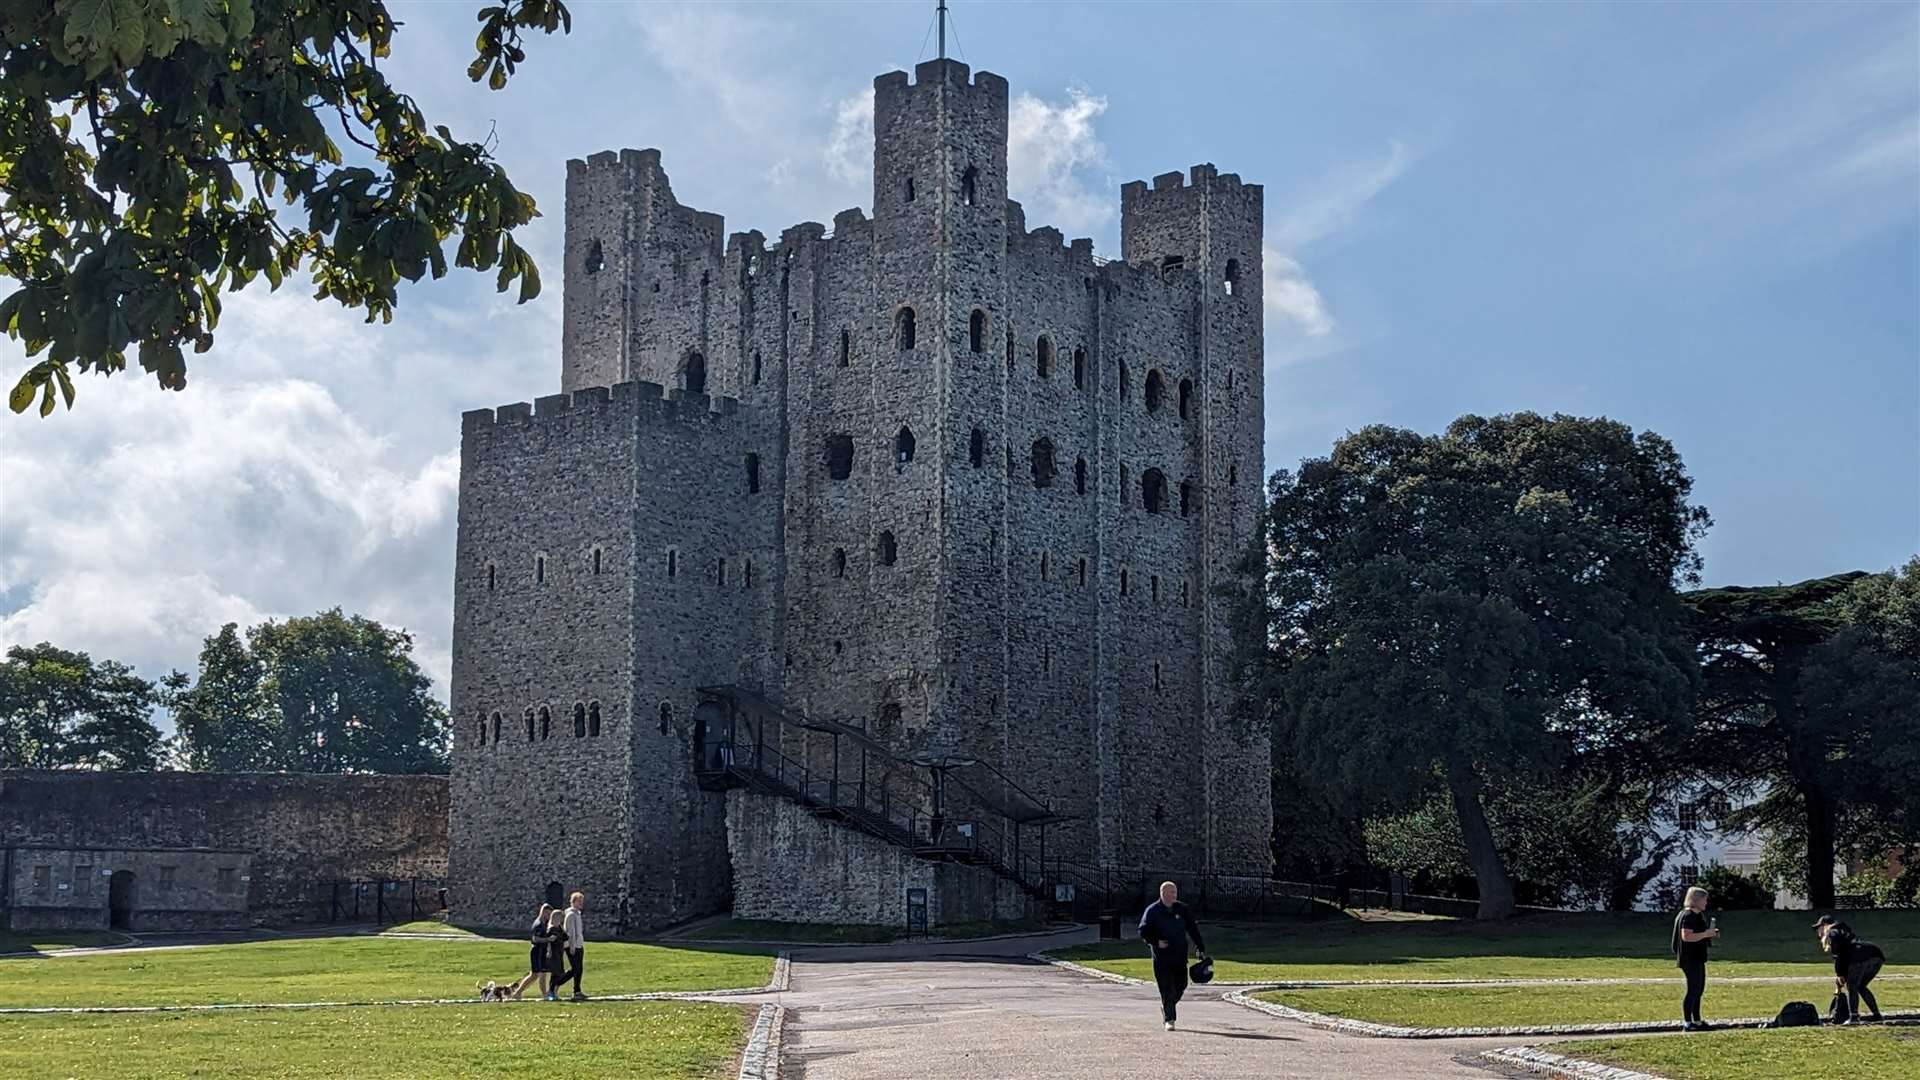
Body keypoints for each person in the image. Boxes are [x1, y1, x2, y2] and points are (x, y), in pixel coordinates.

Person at [1138, 880, 1208, 1031]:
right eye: (1171, 892)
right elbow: (1143, 931)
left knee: (1181, 985)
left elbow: (1192, 928)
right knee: (1167, 988)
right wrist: (1156, 942)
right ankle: (1170, 1019)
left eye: (1175, 892)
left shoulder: (1182, 909)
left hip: (1180, 955)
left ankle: (1167, 1007)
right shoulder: (1152, 911)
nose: (1174, 895)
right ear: (1163, 893)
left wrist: (1200, 946)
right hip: (1161, 957)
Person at [1815, 914, 1886, 1023]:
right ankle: (1876, 1015)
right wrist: (1842, 974)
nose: (1818, 931)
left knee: (1852, 987)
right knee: (1861, 986)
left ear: (1825, 925)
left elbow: (1839, 955)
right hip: (1876, 955)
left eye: (1818, 927)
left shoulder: (1832, 932)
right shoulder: (1843, 931)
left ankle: (1853, 1017)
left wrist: (1839, 974)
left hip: (1860, 957)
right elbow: (1844, 956)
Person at [1670, 885, 1720, 1031]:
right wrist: (1706, 934)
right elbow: (1686, 936)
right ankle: (1687, 1022)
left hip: (1698, 957)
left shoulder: (1697, 916)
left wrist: (1710, 933)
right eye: (1704, 900)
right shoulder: (1687, 916)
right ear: (1696, 900)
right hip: (1689, 958)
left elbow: (1698, 933)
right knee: (1693, 989)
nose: (1706, 903)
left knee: (1699, 989)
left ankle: (1697, 1020)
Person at [507, 903, 554, 1000]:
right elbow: (535, 939)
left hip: (541, 950)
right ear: (544, 912)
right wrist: (548, 939)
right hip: (537, 951)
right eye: (548, 914)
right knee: (541, 974)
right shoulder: (538, 924)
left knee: (535, 975)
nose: (549, 916)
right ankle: (544, 995)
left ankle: (518, 993)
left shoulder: (544, 924)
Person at [551, 891, 588, 1001]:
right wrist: (571, 946)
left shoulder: (577, 913)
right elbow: (570, 932)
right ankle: (557, 983)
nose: (582, 903)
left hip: (579, 944)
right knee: (575, 969)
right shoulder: (571, 914)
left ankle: (577, 990)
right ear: (574, 901)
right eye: (580, 901)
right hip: (573, 945)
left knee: (579, 969)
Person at [540, 909, 570, 1000]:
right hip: (553, 953)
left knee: (558, 973)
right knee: (557, 973)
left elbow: (566, 937)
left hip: (559, 952)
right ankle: (551, 992)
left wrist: (562, 928)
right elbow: (547, 940)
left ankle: (552, 991)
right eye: (561, 917)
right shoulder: (551, 929)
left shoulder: (559, 928)